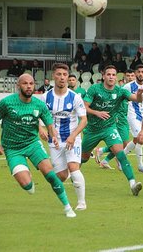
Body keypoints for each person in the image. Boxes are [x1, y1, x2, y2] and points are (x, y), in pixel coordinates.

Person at [0, 73, 76, 217]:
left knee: (51, 175)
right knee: (27, 186)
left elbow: (49, 124)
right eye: (25, 83)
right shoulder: (7, 103)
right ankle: (27, 178)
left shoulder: (39, 104)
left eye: (31, 83)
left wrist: (53, 136)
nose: (28, 86)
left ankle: (67, 207)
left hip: (32, 144)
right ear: (18, 85)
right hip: (13, 148)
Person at [81, 65, 143, 196]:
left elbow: (137, 99)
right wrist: (96, 112)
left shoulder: (120, 91)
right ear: (103, 76)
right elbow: (84, 107)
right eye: (108, 74)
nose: (111, 77)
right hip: (92, 129)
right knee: (84, 157)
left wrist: (139, 95)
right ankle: (72, 171)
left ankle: (133, 183)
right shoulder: (94, 89)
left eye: (113, 75)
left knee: (120, 153)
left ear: (116, 77)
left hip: (109, 128)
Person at [39, 63, 88, 210]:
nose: (62, 77)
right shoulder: (44, 97)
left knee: (74, 167)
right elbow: (36, 116)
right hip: (54, 141)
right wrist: (40, 128)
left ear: (68, 77)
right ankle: (70, 177)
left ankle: (81, 202)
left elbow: (84, 120)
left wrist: (74, 136)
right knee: (60, 175)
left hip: (72, 139)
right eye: (59, 74)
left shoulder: (75, 97)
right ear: (53, 76)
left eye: (64, 75)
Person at [95, 69, 136, 170]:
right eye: (128, 76)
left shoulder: (135, 90)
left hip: (125, 119)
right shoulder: (121, 90)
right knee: (125, 144)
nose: (130, 77)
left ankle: (104, 156)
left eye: (132, 76)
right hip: (118, 119)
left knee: (122, 144)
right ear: (124, 78)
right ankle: (119, 163)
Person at [122, 65, 143, 174]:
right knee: (140, 138)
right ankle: (140, 165)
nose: (140, 74)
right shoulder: (128, 86)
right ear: (135, 74)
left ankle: (121, 157)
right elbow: (120, 96)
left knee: (136, 140)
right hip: (132, 115)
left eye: (142, 72)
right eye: (138, 72)